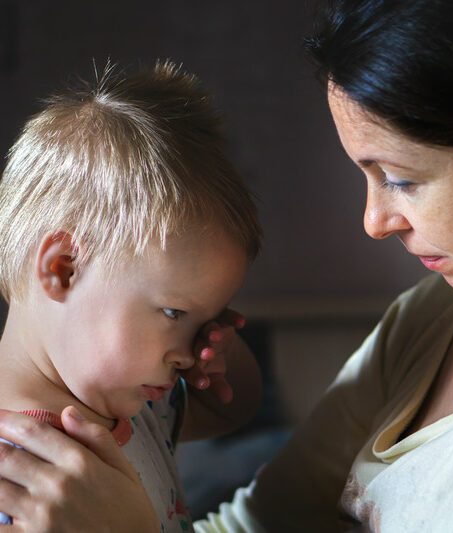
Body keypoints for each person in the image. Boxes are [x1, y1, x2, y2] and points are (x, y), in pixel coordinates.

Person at [2, 0, 453, 530]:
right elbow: (262, 516)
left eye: (402, 179)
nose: (373, 221)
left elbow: (230, 419)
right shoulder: (441, 308)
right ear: (64, 268)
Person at [0, 61, 263, 531]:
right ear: (64, 268)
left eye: (207, 319)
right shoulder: (21, 475)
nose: (186, 354)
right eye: (173, 311)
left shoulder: (130, 401)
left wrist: (214, 353)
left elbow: (235, 407)